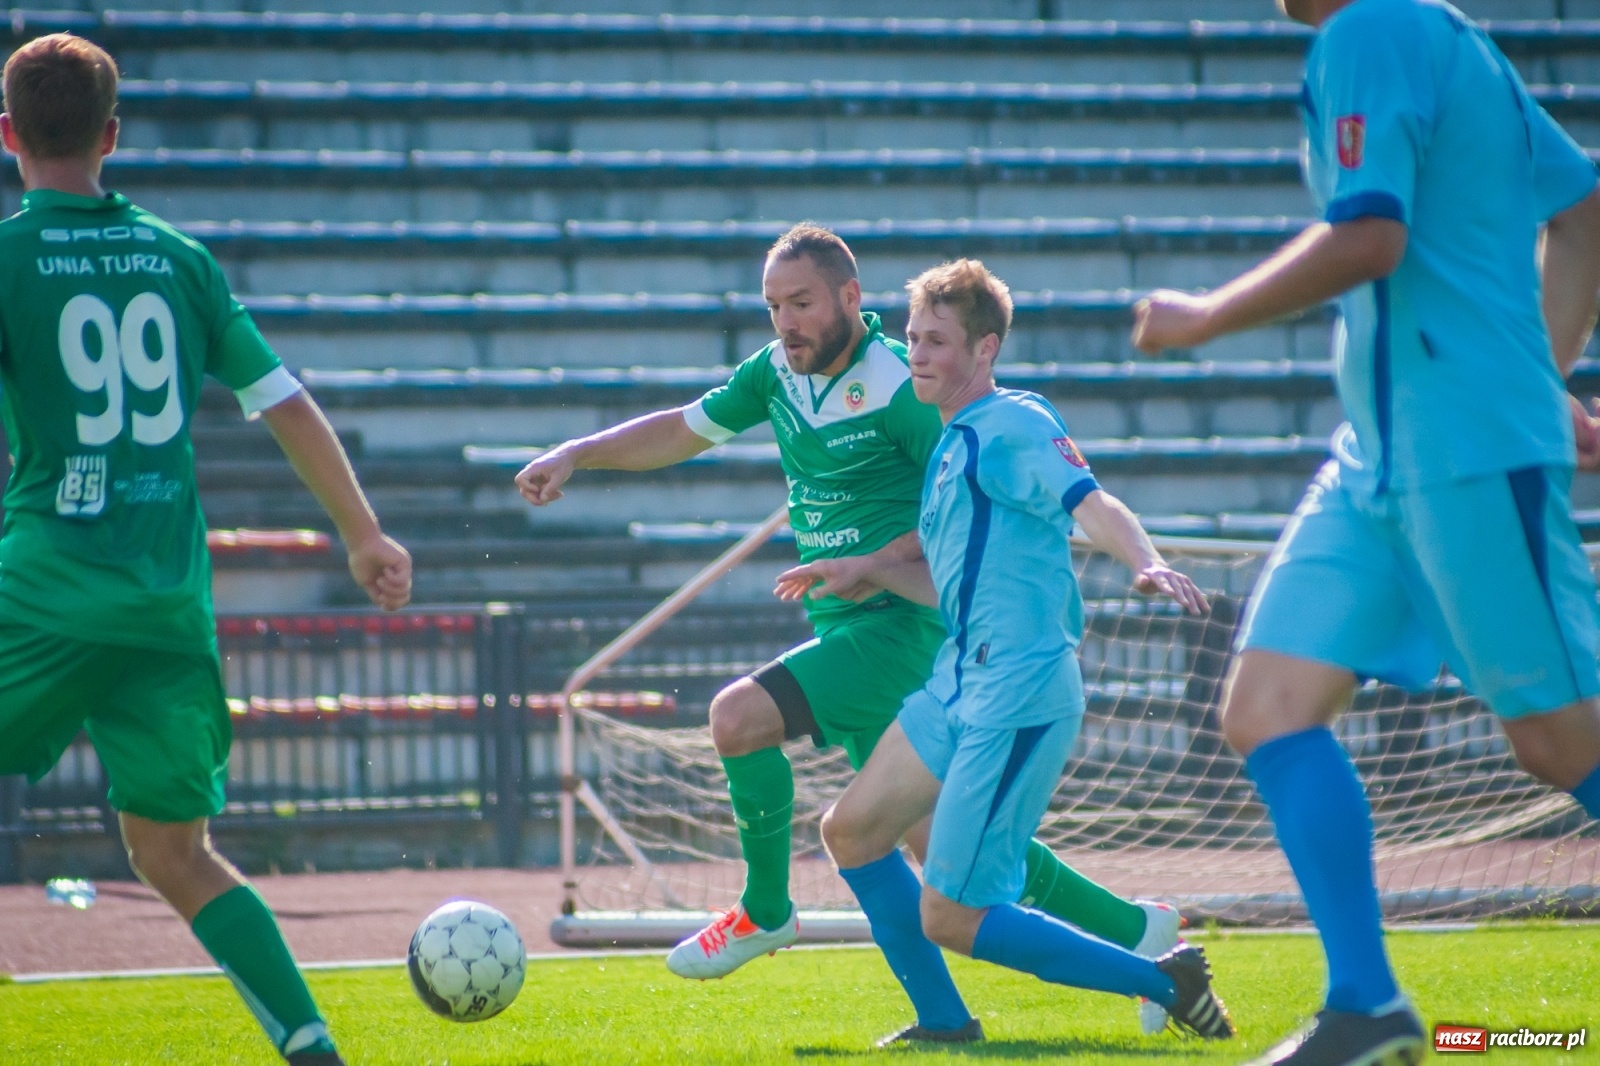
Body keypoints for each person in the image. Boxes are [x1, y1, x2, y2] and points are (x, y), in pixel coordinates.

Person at [514, 225, 1183, 1031]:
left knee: (738, 718)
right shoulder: (773, 375)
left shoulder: (910, 388)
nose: (785, 321)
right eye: (773, 306)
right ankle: (1116, 943)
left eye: (801, 302)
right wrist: (577, 455)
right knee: (919, 845)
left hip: (902, 627)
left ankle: (765, 911)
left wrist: (887, 565)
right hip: (847, 626)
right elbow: (683, 428)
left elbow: (966, 495)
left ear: (850, 299)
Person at [1130, 0, 1600, 1062]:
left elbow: (1371, 235)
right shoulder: (1446, 35)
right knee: (1267, 706)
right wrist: (1540, 374)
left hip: (1462, 448)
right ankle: (1366, 1007)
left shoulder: (1368, 29)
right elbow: (1584, 213)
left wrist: (1203, 318)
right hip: (1382, 458)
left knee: (1559, 743)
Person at [0, 34, 413, 1066]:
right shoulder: (179, 259)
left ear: (9, 136)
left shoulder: (8, 262)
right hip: (169, 601)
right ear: (113, 134)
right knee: (175, 852)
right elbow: (286, 402)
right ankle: (313, 1049)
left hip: (47, 583)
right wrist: (361, 532)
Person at [806, 258, 1235, 1045]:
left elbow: (1092, 501)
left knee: (951, 912)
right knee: (852, 830)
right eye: (911, 339)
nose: (919, 355)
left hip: (1020, 689)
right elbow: (953, 586)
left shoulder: (1014, 423)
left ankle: (1163, 979)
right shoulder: (948, 447)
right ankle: (943, 1021)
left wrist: (1143, 560)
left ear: (986, 349)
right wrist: (867, 571)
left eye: (937, 341)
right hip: (959, 680)